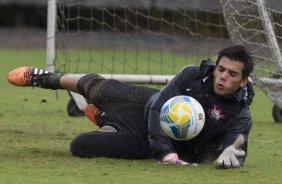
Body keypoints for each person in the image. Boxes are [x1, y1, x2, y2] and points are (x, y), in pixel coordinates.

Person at [7, 45, 254, 169]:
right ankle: (44, 78)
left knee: (80, 145)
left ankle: (107, 121)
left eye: (231, 74)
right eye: (220, 69)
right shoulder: (192, 74)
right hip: (145, 105)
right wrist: (165, 152)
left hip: (145, 143)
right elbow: (158, 107)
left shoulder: (240, 116)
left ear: (243, 81)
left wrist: (227, 157)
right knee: (96, 88)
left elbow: (234, 149)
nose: (222, 76)